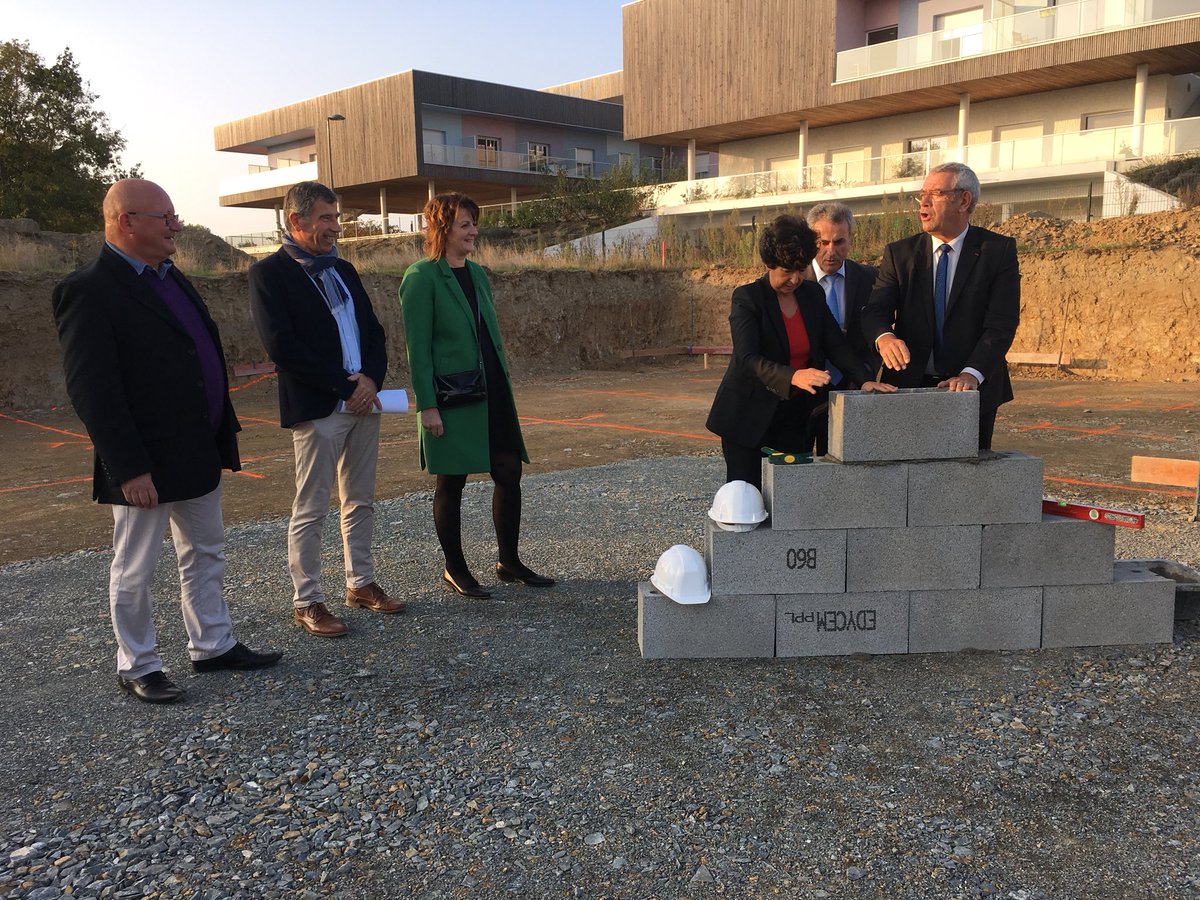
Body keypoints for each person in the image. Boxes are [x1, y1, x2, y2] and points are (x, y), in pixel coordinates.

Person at [52, 179, 282, 704]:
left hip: (196, 447)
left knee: (205, 551)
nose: (176, 225)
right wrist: (128, 467)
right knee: (135, 565)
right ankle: (137, 663)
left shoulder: (171, 276)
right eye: (166, 217)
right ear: (125, 221)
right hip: (144, 461)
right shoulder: (87, 289)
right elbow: (93, 390)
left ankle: (213, 644)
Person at [249, 181, 404, 638]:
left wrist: (371, 381)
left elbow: (374, 332)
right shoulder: (269, 275)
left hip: (364, 401)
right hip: (319, 406)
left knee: (360, 499)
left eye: (336, 218)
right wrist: (345, 386)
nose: (335, 227)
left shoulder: (344, 270)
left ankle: (360, 583)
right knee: (312, 505)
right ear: (295, 221)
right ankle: (308, 600)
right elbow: (283, 347)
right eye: (325, 219)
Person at [399, 192, 554, 598]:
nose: (473, 231)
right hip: (452, 397)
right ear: (442, 229)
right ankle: (455, 568)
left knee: (509, 472)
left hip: (492, 389)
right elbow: (417, 348)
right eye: (465, 224)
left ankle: (509, 561)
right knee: (452, 481)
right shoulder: (420, 277)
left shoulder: (478, 273)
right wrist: (427, 405)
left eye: (474, 223)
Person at [706, 215, 896, 490]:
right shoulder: (747, 298)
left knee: (790, 496)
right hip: (748, 418)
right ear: (769, 263)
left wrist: (864, 379)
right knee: (746, 498)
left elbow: (835, 344)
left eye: (801, 269)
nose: (794, 279)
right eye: (787, 271)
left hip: (794, 418)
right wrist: (793, 376)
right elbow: (747, 359)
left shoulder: (811, 294)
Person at [862, 162, 1020, 449]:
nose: (923, 202)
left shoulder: (997, 251)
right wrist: (884, 337)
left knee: (964, 481)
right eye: (921, 194)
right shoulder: (900, 254)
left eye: (935, 193)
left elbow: (1001, 324)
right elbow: (875, 311)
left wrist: (971, 374)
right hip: (908, 387)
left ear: (964, 200)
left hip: (971, 392)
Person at [804, 201, 881, 456]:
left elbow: (879, 330)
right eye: (822, 242)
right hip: (802, 392)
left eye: (839, 242)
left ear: (850, 240)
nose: (831, 251)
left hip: (850, 388)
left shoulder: (870, 279)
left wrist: (863, 375)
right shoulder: (793, 281)